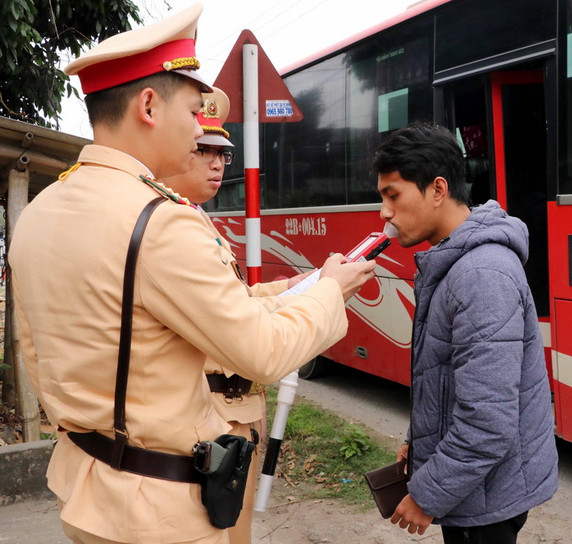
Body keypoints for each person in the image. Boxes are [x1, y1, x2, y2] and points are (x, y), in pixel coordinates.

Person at [7, 5, 376, 544]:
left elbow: (32, 349)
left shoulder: (41, 210)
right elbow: (263, 352)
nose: (198, 128)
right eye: (193, 109)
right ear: (150, 106)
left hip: (84, 487)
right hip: (159, 507)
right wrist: (329, 291)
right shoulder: (158, 221)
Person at [373, 122, 558, 543]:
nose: (384, 213)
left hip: (487, 499)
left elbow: (488, 421)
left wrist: (427, 496)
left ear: (438, 190)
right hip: (475, 488)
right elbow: (447, 378)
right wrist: (419, 441)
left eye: (393, 195)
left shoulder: (481, 274)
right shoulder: (454, 261)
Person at [162, 86, 285, 544]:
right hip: (213, 414)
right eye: (204, 151)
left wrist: (285, 290)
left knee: (238, 529)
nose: (216, 163)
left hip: (238, 409)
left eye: (223, 154)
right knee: (223, 531)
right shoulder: (172, 226)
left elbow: (231, 299)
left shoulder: (198, 220)